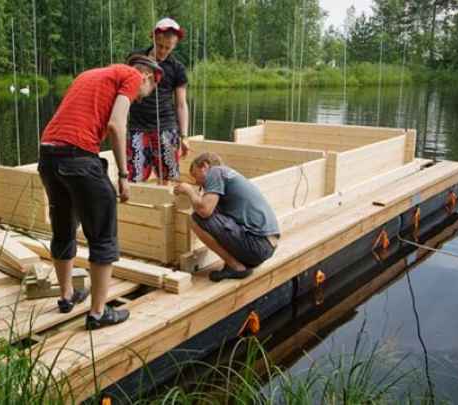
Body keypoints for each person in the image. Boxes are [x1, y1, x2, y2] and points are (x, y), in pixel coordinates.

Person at [39, 55, 162, 330]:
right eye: (147, 93)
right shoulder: (131, 76)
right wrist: (123, 175)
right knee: (103, 235)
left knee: (63, 227)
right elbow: (116, 125)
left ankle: (67, 296)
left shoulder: (89, 74)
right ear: (147, 77)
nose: (140, 99)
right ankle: (98, 313)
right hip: (79, 158)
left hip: (48, 154)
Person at [173, 152, 280, 281]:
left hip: (257, 245)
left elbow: (205, 210)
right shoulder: (228, 175)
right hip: (266, 247)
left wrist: (189, 190)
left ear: (205, 166)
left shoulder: (215, 172)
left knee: (195, 218)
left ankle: (235, 266)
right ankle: (242, 262)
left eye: (195, 175)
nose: (196, 181)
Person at [126, 17, 189, 183]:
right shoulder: (135, 59)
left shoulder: (177, 68)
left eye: (168, 48)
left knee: (167, 174)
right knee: (136, 174)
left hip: (166, 125)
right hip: (137, 126)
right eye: (160, 46)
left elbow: (181, 105)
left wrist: (184, 135)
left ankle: (163, 207)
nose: (163, 51)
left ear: (174, 45)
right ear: (153, 38)